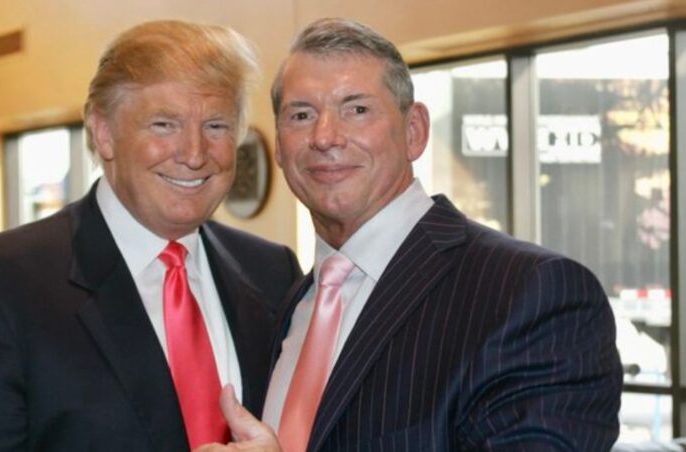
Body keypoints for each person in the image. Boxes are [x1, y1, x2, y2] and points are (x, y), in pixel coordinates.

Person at [199, 18, 622, 452]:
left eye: (357, 110)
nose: (325, 137)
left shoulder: (528, 293)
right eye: (301, 115)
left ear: (414, 131)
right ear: (280, 147)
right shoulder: (294, 302)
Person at [0, 20, 302, 451]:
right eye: (164, 124)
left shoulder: (272, 274)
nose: (194, 153)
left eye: (216, 127)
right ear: (103, 133)